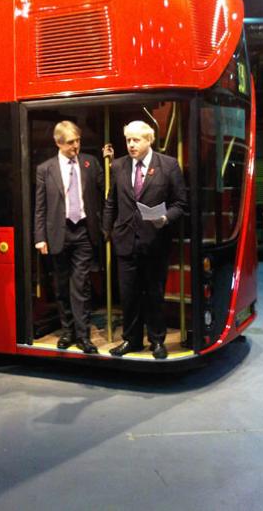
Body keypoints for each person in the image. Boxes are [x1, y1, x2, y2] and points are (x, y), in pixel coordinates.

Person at [103, 120, 187, 359]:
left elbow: (180, 203)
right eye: (128, 140)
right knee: (128, 296)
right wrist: (106, 231)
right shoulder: (118, 166)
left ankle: (157, 341)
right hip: (125, 241)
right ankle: (131, 340)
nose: (131, 145)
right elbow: (111, 201)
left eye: (136, 140)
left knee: (153, 294)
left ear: (149, 140)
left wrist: (166, 218)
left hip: (155, 241)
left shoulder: (168, 165)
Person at [34, 121, 111, 354]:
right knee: (61, 285)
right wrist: (40, 237)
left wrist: (111, 162)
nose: (76, 146)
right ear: (58, 143)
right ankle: (67, 331)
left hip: (84, 232)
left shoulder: (90, 162)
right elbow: (40, 206)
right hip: (58, 232)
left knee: (81, 285)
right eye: (70, 142)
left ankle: (83, 335)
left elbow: (108, 190)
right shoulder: (45, 169)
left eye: (78, 140)